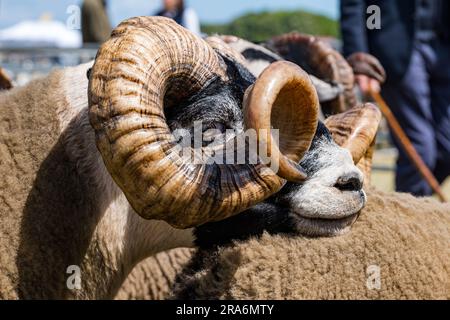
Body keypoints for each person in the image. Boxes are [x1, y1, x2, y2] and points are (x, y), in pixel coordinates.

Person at [340, 0, 450, 196]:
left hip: (443, 50)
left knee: (447, 148)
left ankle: (415, 206)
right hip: (396, 52)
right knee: (420, 150)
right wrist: (359, 54)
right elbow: (356, 4)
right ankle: (410, 219)